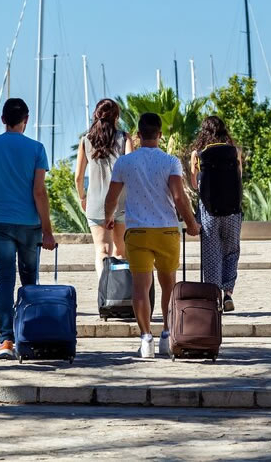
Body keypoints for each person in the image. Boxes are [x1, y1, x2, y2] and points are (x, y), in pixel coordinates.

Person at [104, 112, 200, 358]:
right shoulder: (170, 162)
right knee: (168, 285)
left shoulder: (125, 163)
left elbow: (112, 197)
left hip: (137, 231)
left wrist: (108, 218)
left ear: (137, 135)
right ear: (159, 134)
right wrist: (191, 224)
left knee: (140, 288)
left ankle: (146, 337)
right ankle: (167, 334)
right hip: (166, 230)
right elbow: (179, 197)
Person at [0, 98, 57, 360]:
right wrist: (48, 231)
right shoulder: (37, 148)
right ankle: (29, 335)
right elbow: (39, 192)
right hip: (30, 225)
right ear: (25, 120)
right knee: (30, 281)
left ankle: (5, 340)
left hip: (0, 223)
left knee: (5, 281)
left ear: (4, 120)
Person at [74, 98, 134, 278]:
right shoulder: (124, 138)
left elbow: (78, 177)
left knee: (102, 251)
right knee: (121, 252)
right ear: (116, 117)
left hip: (96, 202)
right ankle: (120, 294)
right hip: (122, 201)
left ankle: (104, 290)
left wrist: (82, 197)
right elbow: (130, 170)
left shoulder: (86, 140)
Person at [188, 115, 242, 312]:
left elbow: (195, 185)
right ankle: (228, 293)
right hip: (233, 211)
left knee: (211, 254)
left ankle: (214, 297)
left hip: (208, 210)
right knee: (231, 251)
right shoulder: (234, 152)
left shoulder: (198, 154)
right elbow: (239, 177)